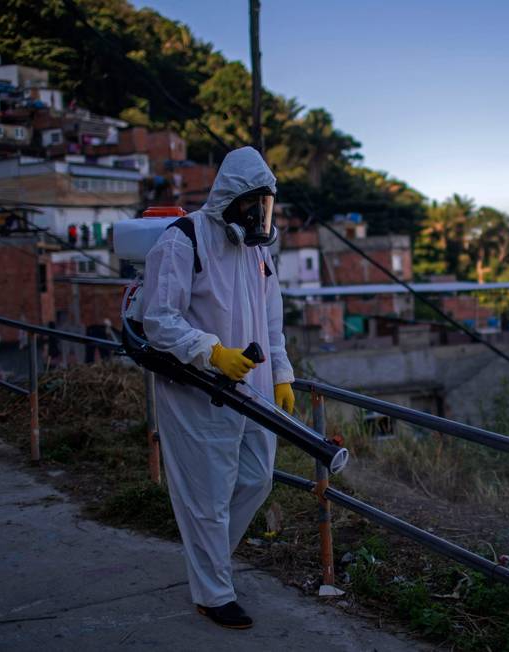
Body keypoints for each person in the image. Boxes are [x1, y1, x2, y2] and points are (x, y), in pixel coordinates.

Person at [138, 147, 295, 630]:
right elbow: (158, 320)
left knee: (255, 478)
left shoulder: (257, 251)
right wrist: (211, 351)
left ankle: (209, 563)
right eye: (253, 206)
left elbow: (272, 318)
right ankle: (213, 593)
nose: (259, 217)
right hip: (198, 388)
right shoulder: (182, 242)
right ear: (232, 199)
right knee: (207, 493)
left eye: (265, 207)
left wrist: (283, 372)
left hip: (253, 387)